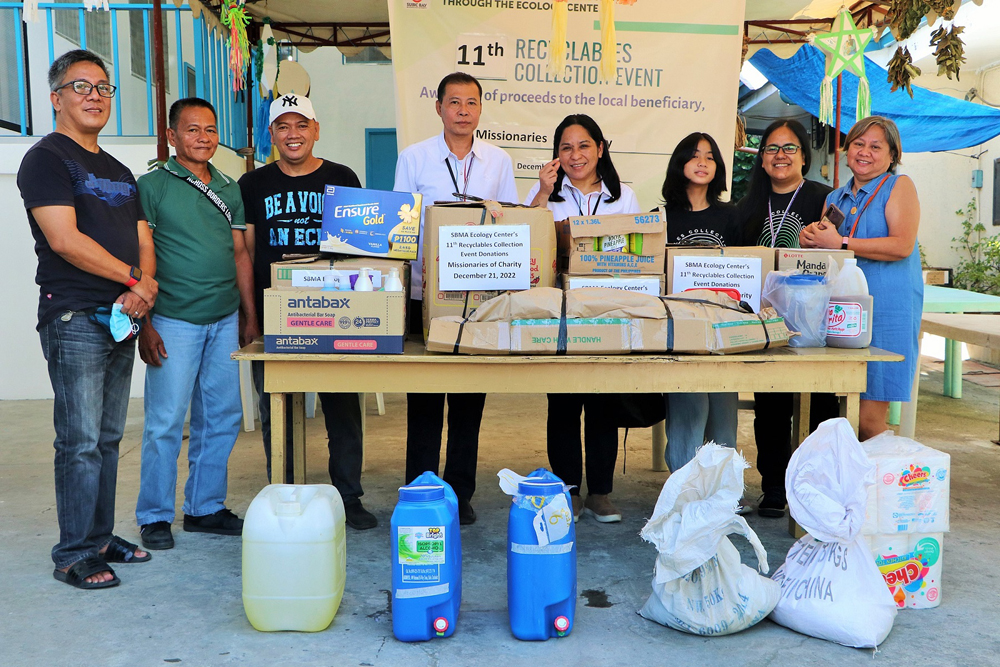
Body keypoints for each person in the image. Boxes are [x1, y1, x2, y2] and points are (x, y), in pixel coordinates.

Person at [18, 49, 157, 588]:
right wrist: (134, 281)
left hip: (123, 316)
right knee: (77, 439)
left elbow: (145, 237)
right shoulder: (46, 159)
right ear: (56, 98)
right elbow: (64, 239)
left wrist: (145, 289)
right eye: (80, 87)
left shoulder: (120, 169)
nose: (94, 95)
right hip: (74, 314)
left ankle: (99, 537)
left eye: (103, 87)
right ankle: (73, 552)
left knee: (105, 438)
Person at [238, 93, 377, 530]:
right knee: (276, 405)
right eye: (283, 126)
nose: (292, 134)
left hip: (335, 310)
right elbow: (247, 251)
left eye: (301, 125)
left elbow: (361, 250)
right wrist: (251, 316)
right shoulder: (253, 185)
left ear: (316, 130)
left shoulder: (342, 177)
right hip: (276, 313)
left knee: (342, 406)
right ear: (272, 134)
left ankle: (348, 496)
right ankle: (285, 490)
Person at [394, 72, 518, 525]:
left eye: (471, 102)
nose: (463, 110)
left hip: (480, 295)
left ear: (481, 109)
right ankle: (422, 487)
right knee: (424, 397)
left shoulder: (498, 161)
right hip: (428, 294)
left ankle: (461, 491)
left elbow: (509, 226)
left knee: (469, 398)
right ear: (438, 107)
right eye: (454, 102)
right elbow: (401, 228)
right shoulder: (414, 158)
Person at [133, 98, 255, 550]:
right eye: (192, 130)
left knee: (222, 417)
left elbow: (240, 253)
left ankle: (205, 508)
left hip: (224, 318)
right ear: (171, 136)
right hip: (173, 319)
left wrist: (249, 315)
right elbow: (139, 258)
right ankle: (155, 516)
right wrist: (145, 324)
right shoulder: (151, 185)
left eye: (210, 129)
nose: (203, 137)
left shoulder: (230, 186)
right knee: (165, 421)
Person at [525, 114, 639, 523]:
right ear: (556, 155)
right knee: (563, 401)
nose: (576, 155)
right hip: (558, 308)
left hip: (609, 308)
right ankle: (569, 490)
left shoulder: (622, 196)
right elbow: (527, 240)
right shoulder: (548, 194)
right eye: (566, 148)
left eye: (584, 146)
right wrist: (542, 192)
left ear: (600, 149)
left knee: (603, 401)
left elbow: (637, 251)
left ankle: (601, 494)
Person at [736, 119, 839, 518]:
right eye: (772, 149)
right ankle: (774, 489)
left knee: (822, 404)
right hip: (764, 321)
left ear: (803, 156)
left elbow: (836, 257)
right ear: (761, 160)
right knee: (771, 404)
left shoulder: (824, 199)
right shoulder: (747, 206)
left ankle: (814, 489)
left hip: (815, 320)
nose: (780, 155)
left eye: (789, 148)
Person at [800, 115, 922, 441]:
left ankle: (895, 482)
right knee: (843, 413)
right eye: (858, 143)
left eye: (875, 146)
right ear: (847, 148)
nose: (864, 151)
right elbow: (827, 253)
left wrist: (838, 241)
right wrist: (810, 239)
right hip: (843, 312)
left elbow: (902, 245)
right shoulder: (834, 198)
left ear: (892, 155)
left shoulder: (899, 186)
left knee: (868, 419)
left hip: (886, 310)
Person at [661, 132, 740, 472]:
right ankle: (684, 489)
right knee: (688, 411)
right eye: (694, 155)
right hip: (681, 332)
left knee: (724, 414)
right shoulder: (658, 218)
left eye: (710, 156)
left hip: (725, 330)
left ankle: (723, 490)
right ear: (680, 164)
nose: (703, 162)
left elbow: (744, 272)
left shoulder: (732, 216)